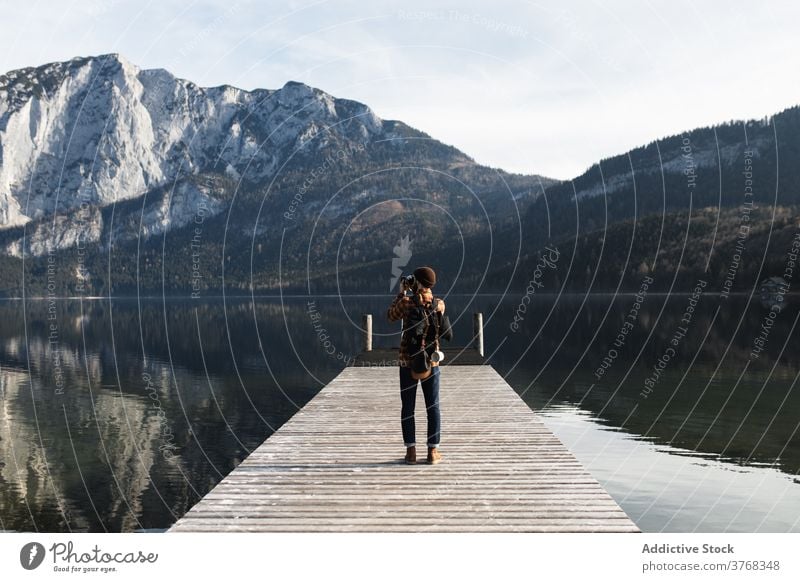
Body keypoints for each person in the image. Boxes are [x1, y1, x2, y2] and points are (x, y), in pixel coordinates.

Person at [386, 266, 446, 465]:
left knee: (408, 408)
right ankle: (432, 452)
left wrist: (401, 292)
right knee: (433, 406)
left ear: (417, 282)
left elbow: (390, 316)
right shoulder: (439, 304)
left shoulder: (406, 302)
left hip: (407, 360)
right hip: (432, 360)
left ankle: (411, 452)